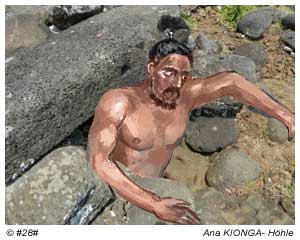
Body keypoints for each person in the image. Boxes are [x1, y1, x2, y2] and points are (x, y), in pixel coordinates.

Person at [87, 38, 295, 225]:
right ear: (151, 68)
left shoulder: (185, 96)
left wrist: (286, 116)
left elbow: (232, 82)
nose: (177, 83)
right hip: (121, 187)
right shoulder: (119, 102)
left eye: (184, 76)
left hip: (159, 183)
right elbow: (99, 162)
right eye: (169, 73)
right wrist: (154, 203)